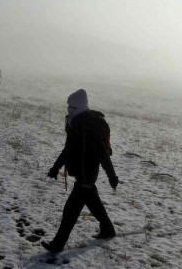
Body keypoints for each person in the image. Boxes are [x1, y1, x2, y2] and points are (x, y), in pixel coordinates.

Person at [42, 89, 119, 253]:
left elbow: (103, 155)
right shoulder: (76, 126)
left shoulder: (87, 129)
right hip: (85, 178)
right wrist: (55, 168)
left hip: (86, 177)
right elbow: (67, 151)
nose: (68, 110)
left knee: (70, 211)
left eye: (71, 107)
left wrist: (112, 176)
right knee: (94, 204)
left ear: (78, 107)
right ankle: (108, 230)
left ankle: (57, 245)